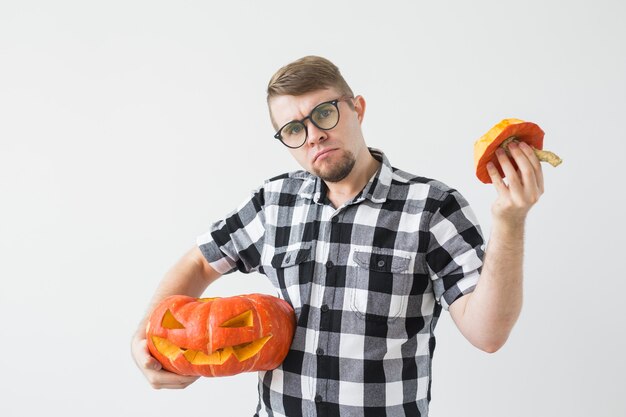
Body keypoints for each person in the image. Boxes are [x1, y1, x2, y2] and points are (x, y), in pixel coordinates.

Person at [131, 55, 544, 417]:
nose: (313, 135)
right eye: (293, 129)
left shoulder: (433, 206)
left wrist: (510, 221)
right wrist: (145, 337)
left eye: (324, 114)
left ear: (357, 108)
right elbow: (200, 260)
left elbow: (488, 334)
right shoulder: (274, 202)